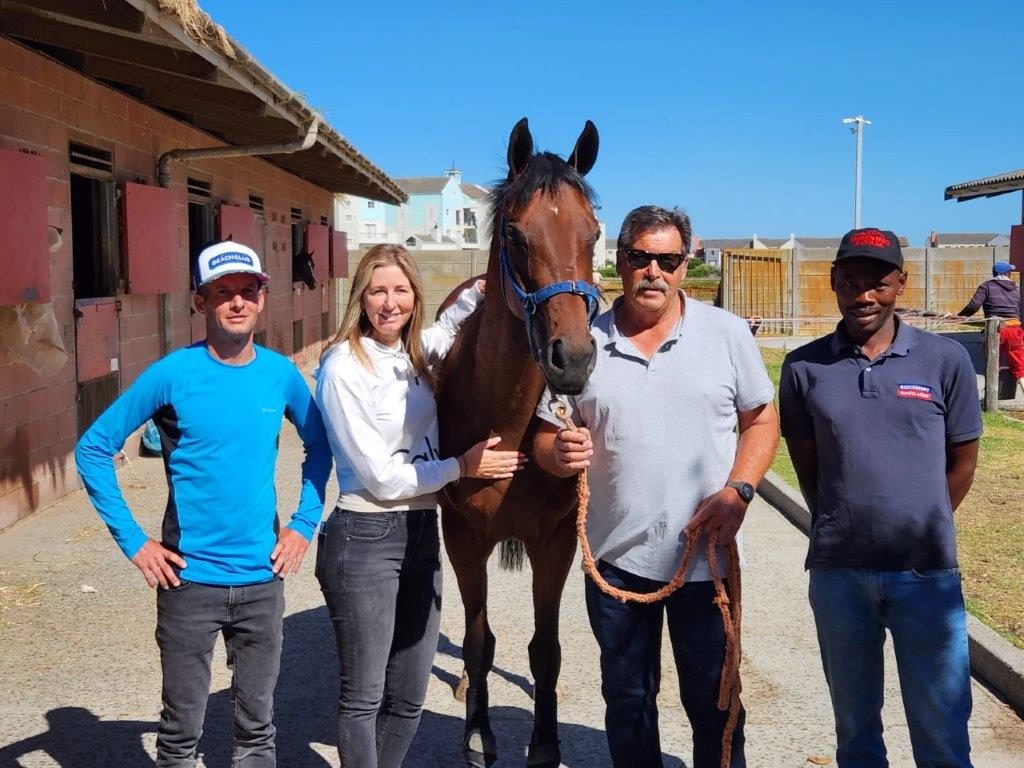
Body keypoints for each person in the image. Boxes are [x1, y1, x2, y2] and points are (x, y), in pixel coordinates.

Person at [533, 205, 779, 768]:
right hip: (615, 565)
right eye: (640, 257)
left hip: (705, 563)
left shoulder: (726, 334)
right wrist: (558, 453)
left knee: (715, 708)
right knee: (627, 702)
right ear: (618, 261)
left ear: (685, 265)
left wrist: (739, 490)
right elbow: (546, 440)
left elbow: (762, 420)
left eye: (668, 260)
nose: (653, 271)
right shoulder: (582, 341)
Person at [75, 240, 332, 767]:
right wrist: (135, 542)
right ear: (201, 303)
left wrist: (305, 523)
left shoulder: (280, 374)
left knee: (258, 730)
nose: (236, 303)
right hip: (188, 582)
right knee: (179, 732)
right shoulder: (173, 374)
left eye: (246, 291)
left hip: (262, 580)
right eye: (222, 293)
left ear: (262, 298)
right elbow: (93, 449)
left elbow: (322, 445)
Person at [313, 244, 525, 768]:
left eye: (401, 290)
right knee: (363, 698)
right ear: (359, 297)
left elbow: (444, 332)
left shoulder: (410, 355)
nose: (390, 302)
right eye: (378, 290)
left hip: (421, 534)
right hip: (364, 537)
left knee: (409, 697)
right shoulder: (343, 366)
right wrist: (462, 466)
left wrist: (480, 295)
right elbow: (382, 480)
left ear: (415, 296)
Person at [779, 228, 982, 768]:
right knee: (856, 731)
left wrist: (922, 518)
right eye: (850, 281)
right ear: (834, 283)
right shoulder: (803, 368)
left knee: (941, 728)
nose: (863, 295)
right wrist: (844, 522)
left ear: (900, 283)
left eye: (878, 282)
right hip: (839, 575)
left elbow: (962, 462)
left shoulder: (944, 360)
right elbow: (809, 465)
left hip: (925, 576)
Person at [958, 260, 1024, 389]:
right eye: (1009, 271)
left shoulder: (986, 286)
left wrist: (960, 317)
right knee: (1020, 366)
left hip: (995, 330)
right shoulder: (1016, 288)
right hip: (1014, 329)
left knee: (992, 364)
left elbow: (974, 306)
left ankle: (991, 398)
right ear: (1006, 273)